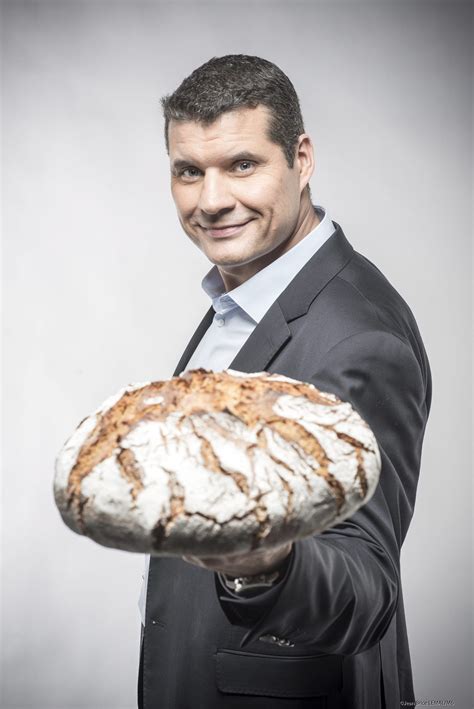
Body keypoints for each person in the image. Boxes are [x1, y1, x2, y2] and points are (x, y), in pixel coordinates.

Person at [137, 54, 432, 709]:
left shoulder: (359, 338)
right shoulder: (244, 295)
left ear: (301, 158)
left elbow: (365, 586)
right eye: (190, 171)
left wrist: (265, 564)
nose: (212, 200)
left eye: (242, 164)